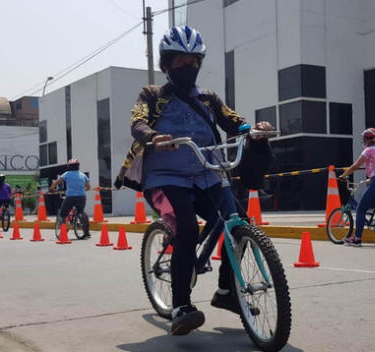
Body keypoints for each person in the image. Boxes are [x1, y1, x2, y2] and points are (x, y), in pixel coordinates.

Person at [114, 26, 274, 335]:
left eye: (194, 61)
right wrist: (152, 136)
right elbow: (138, 121)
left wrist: (253, 129)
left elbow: (233, 121)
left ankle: (227, 292)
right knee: (187, 229)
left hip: (206, 171)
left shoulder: (208, 98)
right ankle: (180, 307)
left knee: (237, 221)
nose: (189, 67)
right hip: (165, 177)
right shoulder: (152, 95)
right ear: (166, 65)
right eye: (180, 61)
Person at [339, 128, 375, 247]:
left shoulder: (369, 150)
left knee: (361, 209)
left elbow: (355, 165)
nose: (363, 141)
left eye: (364, 138)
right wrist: (369, 180)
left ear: (369, 139)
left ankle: (357, 239)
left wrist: (344, 175)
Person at [49, 159, 91, 239]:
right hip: (82, 197)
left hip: (70, 197)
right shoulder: (83, 175)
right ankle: (87, 232)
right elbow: (88, 187)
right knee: (81, 212)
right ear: (78, 166)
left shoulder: (67, 174)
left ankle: (64, 231)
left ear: (69, 166)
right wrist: (80, 190)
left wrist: (51, 188)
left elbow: (57, 182)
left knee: (62, 214)